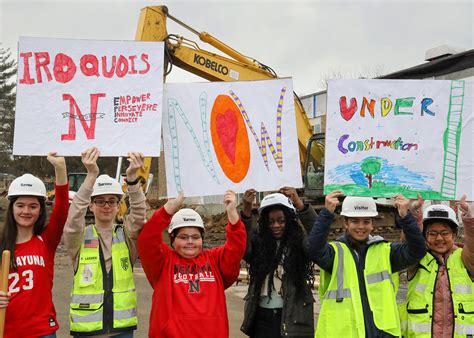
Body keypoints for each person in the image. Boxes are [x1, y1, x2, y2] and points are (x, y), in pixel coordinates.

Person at [308, 191, 426, 337]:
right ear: (345, 223)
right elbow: (313, 249)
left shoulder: (385, 252)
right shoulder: (336, 253)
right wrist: (326, 213)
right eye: (355, 221)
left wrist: (406, 217)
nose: (361, 227)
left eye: (366, 221)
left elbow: (417, 251)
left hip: (382, 333)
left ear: (372, 224)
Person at [137, 190, 246, 338]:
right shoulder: (163, 263)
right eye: (183, 237)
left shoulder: (214, 260)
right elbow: (147, 239)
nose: (190, 242)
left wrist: (232, 213)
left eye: (195, 237)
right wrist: (168, 208)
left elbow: (236, 247)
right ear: (172, 240)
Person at [63, 147, 146, 337]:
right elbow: (74, 218)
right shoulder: (79, 238)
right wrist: (91, 175)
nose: (106, 206)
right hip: (86, 332)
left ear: (119, 205)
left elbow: (140, 216)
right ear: (91, 205)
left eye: (112, 201)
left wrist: (132, 179)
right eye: (100, 201)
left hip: (121, 331)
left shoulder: (126, 236)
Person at [0, 153, 68, 338]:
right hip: (7, 331)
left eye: (33, 206)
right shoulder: (2, 245)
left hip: (42, 331)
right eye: (20, 205)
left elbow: (62, 210)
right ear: (12, 208)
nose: (26, 211)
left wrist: (60, 168)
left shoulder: (46, 241)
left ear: (40, 210)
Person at [240, 189, 316, 337]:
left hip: (293, 320)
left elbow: (317, 237)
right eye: (271, 222)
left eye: (281, 221)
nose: (276, 225)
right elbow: (241, 245)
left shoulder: (300, 243)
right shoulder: (258, 244)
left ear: (289, 219)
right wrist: (247, 209)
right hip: (262, 319)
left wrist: (300, 205)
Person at [399, 195, 474, 337]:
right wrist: (413, 215)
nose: (439, 238)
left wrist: (470, 217)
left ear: (454, 234)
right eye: (432, 233)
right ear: (424, 235)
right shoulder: (417, 259)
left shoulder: (466, 259)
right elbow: (410, 243)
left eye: (445, 233)